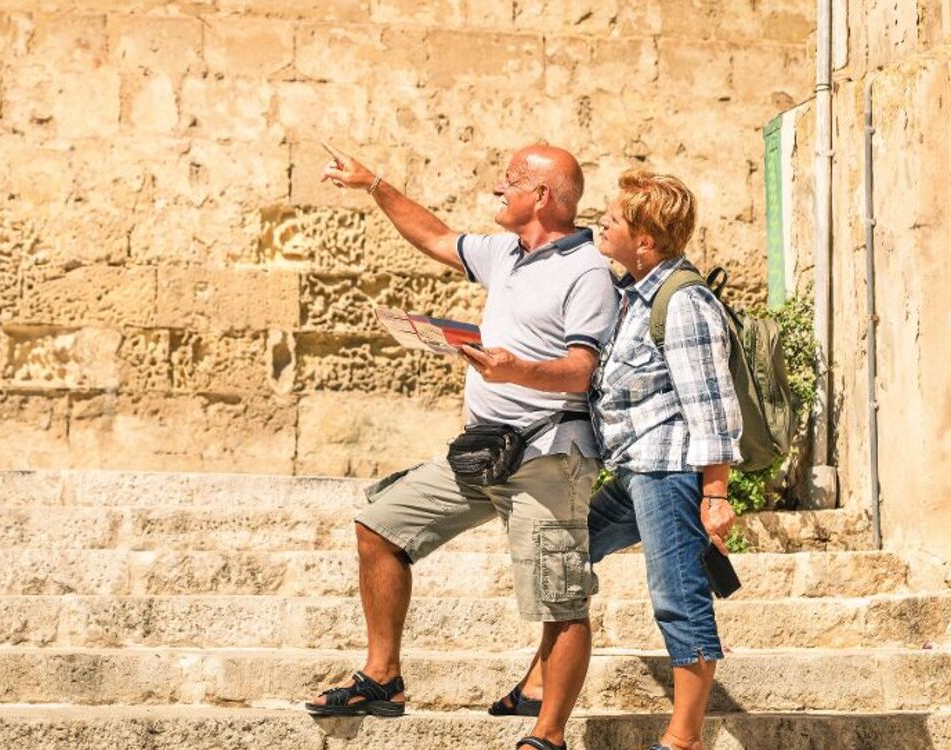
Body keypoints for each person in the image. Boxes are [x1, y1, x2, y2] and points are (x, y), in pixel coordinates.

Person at [304, 142, 618, 750]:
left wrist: (512, 369)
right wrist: (374, 185)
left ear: (542, 196)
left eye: (510, 182)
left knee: (560, 597)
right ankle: (381, 678)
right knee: (380, 525)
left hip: (548, 455)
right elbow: (437, 237)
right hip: (483, 450)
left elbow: (582, 370)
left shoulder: (587, 273)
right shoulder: (507, 253)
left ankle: (547, 733)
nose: (499, 190)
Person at [494, 170, 740, 750]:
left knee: (678, 599)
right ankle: (539, 681)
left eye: (614, 217)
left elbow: (711, 404)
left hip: (668, 472)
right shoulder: (635, 294)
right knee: (570, 554)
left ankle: (684, 739)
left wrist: (715, 493)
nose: (601, 221)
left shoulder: (683, 304)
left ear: (647, 240)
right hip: (632, 472)